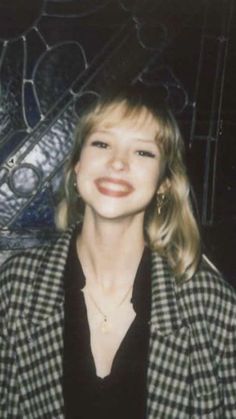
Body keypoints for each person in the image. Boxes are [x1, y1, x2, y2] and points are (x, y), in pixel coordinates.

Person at [0, 86, 235, 419]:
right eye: (102, 143)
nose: (118, 163)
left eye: (143, 152)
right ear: (77, 165)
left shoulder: (210, 304)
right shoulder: (14, 287)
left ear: (164, 184)